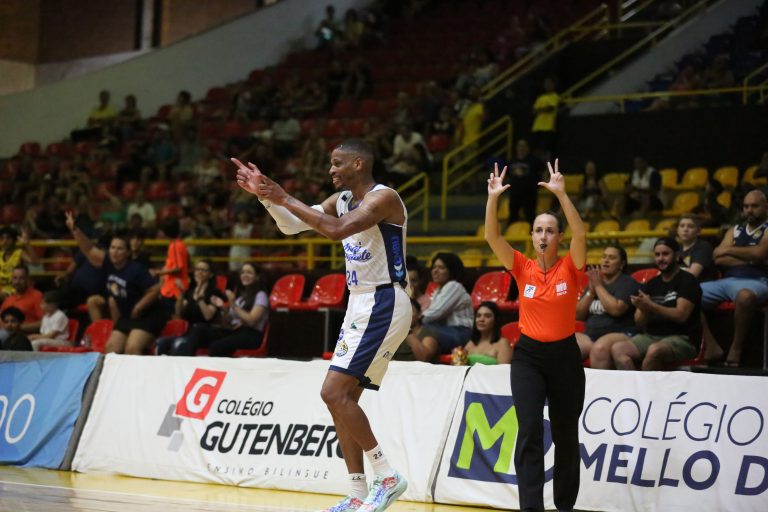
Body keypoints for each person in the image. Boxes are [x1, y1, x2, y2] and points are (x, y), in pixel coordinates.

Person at [232, 138, 410, 512]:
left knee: (333, 393)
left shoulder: (383, 197)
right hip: (360, 301)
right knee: (340, 401)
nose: (331, 169)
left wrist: (283, 195)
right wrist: (267, 198)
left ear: (358, 164)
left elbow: (336, 230)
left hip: (383, 299)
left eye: (337, 163)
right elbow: (291, 226)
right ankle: (357, 492)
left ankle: (387, 475)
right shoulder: (341, 200)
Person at [484, 159, 586, 512]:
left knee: (565, 435)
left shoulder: (570, 267)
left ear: (559, 237)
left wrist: (562, 195)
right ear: (531, 236)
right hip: (528, 357)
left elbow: (581, 234)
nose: (543, 235)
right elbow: (492, 237)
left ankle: (565, 507)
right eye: (538, 230)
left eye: (550, 231)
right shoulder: (521, 267)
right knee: (528, 430)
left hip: (565, 358)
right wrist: (493, 199)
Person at [65, 212, 165, 354]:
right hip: (127, 316)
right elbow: (89, 249)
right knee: (111, 349)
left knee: (132, 348)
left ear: (128, 253)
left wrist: (138, 307)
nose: (115, 252)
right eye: (112, 247)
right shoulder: (108, 263)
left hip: (148, 315)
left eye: (120, 249)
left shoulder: (136, 270)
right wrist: (75, 230)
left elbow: (155, 289)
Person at [606, 238, 702, 371]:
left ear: (677, 256)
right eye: (657, 255)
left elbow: (681, 315)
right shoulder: (652, 284)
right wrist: (642, 308)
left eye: (665, 254)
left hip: (682, 338)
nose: (661, 258)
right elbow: (639, 323)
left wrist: (651, 306)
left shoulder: (687, 280)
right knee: (618, 349)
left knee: (654, 350)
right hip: (651, 336)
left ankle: (646, 385)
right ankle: (634, 384)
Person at [701, 190, 768, 367]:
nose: (749, 210)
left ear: (766, 207)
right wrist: (751, 257)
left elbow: (759, 253)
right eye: (746, 206)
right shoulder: (735, 230)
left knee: (745, 296)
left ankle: (736, 348)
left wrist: (729, 250)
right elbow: (718, 257)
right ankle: (711, 346)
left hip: (759, 280)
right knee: (689, 293)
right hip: (727, 280)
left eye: (754, 206)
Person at [173, 262, 267, 357]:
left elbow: (252, 321)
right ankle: (181, 359)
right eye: (243, 272)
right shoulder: (240, 297)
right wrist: (223, 307)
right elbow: (227, 323)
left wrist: (233, 304)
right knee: (199, 330)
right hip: (235, 331)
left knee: (217, 346)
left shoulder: (261, 295)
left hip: (251, 334)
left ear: (257, 277)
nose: (245, 275)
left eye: (249, 272)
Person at [404, 252, 473, 362]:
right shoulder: (438, 290)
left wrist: (416, 320)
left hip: (461, 332)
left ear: (451, 271)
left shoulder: (454, 286)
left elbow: (435, 312)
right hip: (447, 330)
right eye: (434, 267)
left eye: (441, 268)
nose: (435, 271)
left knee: (423, 329)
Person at [578, 245, 640, 363]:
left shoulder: (627, 283)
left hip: (620, 333)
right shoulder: (595, 282)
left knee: (599, 349)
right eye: (604, 257)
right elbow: (578, 315)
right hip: (591, 335)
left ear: (621, 264)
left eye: (611, 258)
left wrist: (598, 286)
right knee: (565, 345)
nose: (606, 260)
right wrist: (591, 292)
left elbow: (616, 309)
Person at [156, 259, 225, 355]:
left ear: (211, 275)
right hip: (190, 332)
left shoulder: (214, 292)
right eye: (197, 269)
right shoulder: (190, 291)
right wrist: (181, 295)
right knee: (162, 342)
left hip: (208, 332)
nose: (199, 272)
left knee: (186, 338)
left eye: (203, 270)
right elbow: (179, 313)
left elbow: (208, 316)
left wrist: (200, 299)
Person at [0, 265, 44, 343]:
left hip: (25, 336)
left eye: (21, 278)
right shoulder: (9, 299)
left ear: (27, 279)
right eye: (15, 278)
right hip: (6, 334)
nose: (17, 282)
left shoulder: (37, 296)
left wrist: (20, 327)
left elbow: (45, 322)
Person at [461, 301, 512, 365]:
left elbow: (504, 370)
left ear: (495, 320)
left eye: (487, 316)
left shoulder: (503, 344)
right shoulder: (470, 344)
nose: (481, 319)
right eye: (478, 316)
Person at [0, 227, 38, 300]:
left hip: (14, 288)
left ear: (14, 240)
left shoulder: (19, 253)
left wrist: (27, 244)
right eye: (2, 238)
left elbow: (35, 262)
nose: (5, 241)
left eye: (8, 238)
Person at [530, 77, 559, 159]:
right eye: (546, 83)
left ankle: (546, 166)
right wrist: (543, 109)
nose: (547, 85)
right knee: (537, 150)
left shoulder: (555, 96)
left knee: (547, 150)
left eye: (549, 83)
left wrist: (539, 110)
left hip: (548, 127)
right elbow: (533, 111)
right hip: (537, 127)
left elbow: (550, 108)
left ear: (553, 85)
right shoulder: (540, 97)